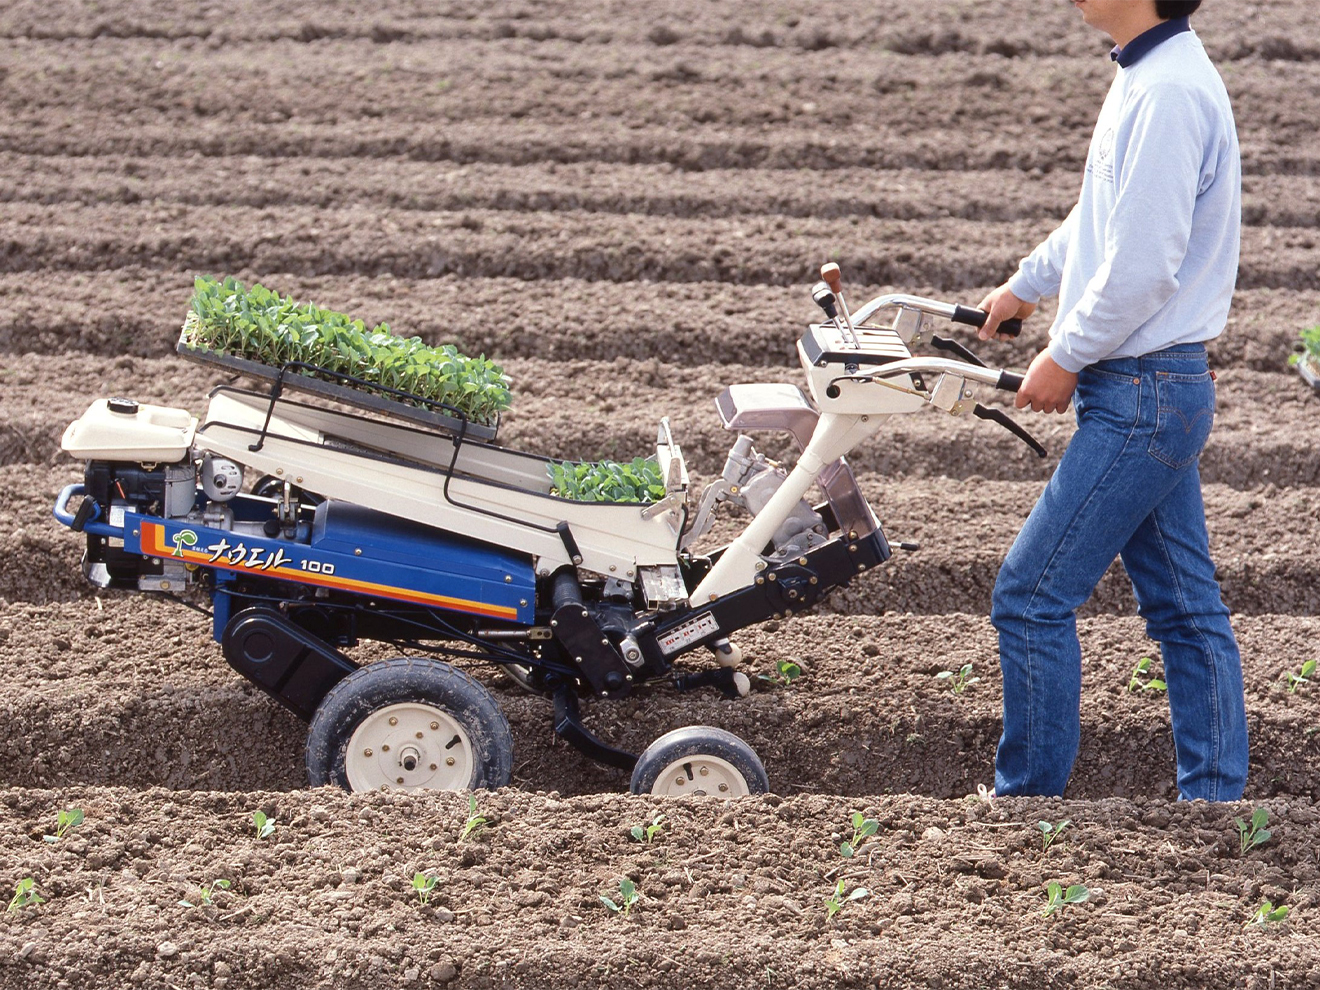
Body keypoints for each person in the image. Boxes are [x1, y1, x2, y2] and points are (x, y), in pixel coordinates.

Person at [974, 0, 1248, 801]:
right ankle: (1214, 802)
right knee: (1185, 609)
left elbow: (1144, 265)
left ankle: (1025, 802)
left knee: (1030, 594)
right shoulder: (1145, 71)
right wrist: (1027, 284)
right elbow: (1104, 219)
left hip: (1144, 392)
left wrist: (1065, 354)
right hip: (1152, 387)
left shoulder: (1167, 91)